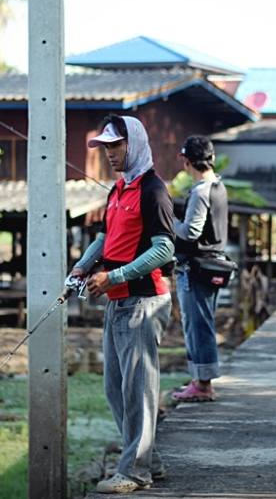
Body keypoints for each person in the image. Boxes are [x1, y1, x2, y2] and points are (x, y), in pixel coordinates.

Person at [71, 114, 175, 494]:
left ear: (134, 143)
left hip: (143, 300)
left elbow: (164, 249)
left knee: (139, 389)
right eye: (106, 147)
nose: (110, 153)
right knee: (114, 388)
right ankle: (151, 459)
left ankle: (135, 471)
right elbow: (106, 237)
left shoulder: (153, 191)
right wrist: (83, 266)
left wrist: (114, 276)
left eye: (116, 145)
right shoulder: (118, 191)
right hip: (117, 299)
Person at [171, 135, 228, 403]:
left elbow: (190, 232)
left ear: (186, 161)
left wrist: (169, 221)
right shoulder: (218, 186)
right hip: (213, 264)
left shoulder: (200, 191)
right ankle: (199, 380)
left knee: (197, 325)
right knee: (202, 322)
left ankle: (203, 385)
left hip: (196, 268)